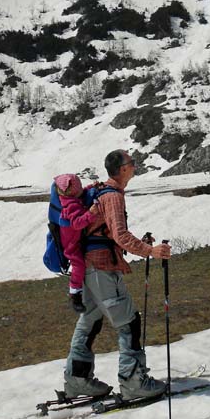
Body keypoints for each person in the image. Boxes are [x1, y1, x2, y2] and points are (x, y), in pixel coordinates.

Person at [64, 149, 171, 401]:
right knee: (129, 323)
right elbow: (119, 235)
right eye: (132, 163)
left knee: (90, 321)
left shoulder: (102, 192)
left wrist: (140, 244)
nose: (134, 166)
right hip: (101, 269)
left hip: (89, 268)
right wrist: (150, 251)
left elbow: (108, 233)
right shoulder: (112, 196)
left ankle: (77, 379)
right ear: (122, 169)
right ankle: (133, 381)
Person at [54, 173, 102, 313]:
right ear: (71, 191)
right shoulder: (70, 205)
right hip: (71, 245)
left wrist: (91, 187)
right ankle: (75, 294)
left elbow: (82, 193)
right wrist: (91, 213)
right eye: (79, 187)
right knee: (79, 265)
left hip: (76, 240)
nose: (82, 189)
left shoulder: (70, 197)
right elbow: (77, 224)